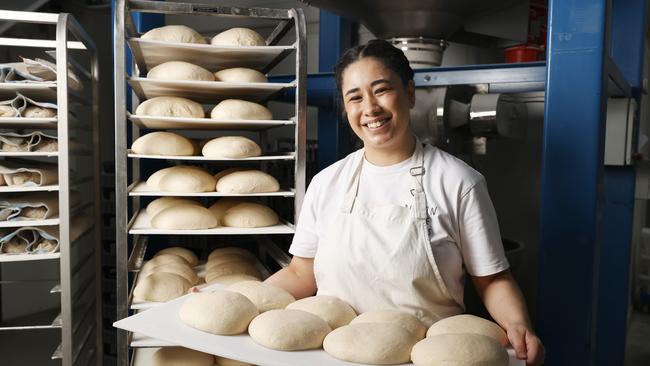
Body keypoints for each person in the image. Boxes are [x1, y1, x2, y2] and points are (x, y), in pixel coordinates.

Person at [266, 39, 544, 365]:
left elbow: (492, 278)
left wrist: (517, 324)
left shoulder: (458, 182)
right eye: (355, 97)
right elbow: (300, 273)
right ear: (345, 108)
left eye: (381, 90)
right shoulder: (327, 183)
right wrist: (241, 298)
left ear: (410, 93)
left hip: (426, 356)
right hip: (332, 354)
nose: (369, 108)